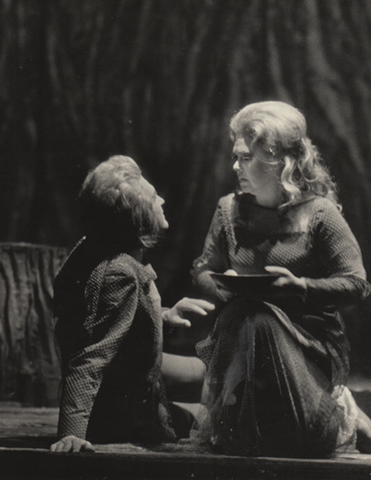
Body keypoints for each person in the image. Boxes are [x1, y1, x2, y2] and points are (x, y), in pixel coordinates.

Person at [190, 101, 371, 458]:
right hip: (241, 342)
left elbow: (356, 283)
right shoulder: (230, 210)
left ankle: (340, 411)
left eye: (246, 158)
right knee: (253, 320)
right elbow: (201, 267)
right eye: (237, 157)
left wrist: (300, 288)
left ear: (278, 161)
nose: (235, 166)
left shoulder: (319, 214)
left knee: (263, 322)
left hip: (307, 343)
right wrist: (220, 286)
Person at [50, 155, 214, 453]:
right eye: (153, 197)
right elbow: (89, 356)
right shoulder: (118, 272)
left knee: (215, 376)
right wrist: (70, 433)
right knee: (223, 416)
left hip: (138, 376)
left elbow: (114, 316)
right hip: (129, 413)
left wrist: (163, 315)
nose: (162, 199)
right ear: (136, 215)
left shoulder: (97, 250)